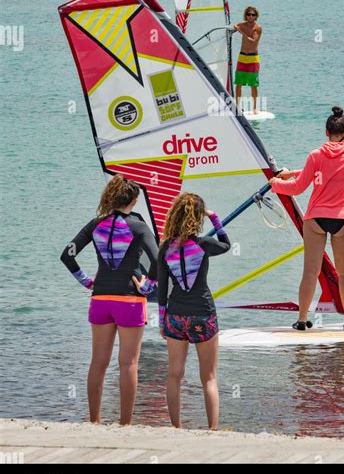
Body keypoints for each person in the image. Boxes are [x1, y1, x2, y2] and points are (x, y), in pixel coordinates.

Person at [60, 175, 159, 425]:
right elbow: (158, 261)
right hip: (130, 301)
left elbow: (67, 255)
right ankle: (125, 423)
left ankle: (94, 422)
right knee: (128, 364)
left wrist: (86, 281)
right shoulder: (138, 226)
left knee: (98, 363)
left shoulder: (96, 224)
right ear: (134, 200)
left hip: (101, 299)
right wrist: (148, 285)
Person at [269, 106, 344, 332]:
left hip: (315, 219)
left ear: (326, 132)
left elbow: (297, 187)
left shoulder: (315, 155)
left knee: (310, 272)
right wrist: (294, 172)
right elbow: (329, 171)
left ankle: (302, 321)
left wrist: (276, 184)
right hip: (342, 219)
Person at [157, 193, 230, 430]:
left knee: (174, 375)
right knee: (208, 378)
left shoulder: (165, 248)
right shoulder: (204, 245)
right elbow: (227, 244)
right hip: (203, 314)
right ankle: (213, 429)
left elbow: (162, 289)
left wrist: (162, 322)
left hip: (175, 316)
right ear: (197, 218)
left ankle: (176, 428)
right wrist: (215, 218)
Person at [233, 6, 262, 114]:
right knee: (239, 83)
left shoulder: (257, 28)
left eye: (253, 15)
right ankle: (237, 106)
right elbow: (235, 26)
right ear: (246, 16)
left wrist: (241, 32)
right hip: (242, 57)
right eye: (249, 14)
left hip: (253, 58)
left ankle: (254, 107)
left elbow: (252, 41)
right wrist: (235, 27)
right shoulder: (242, 25)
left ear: (256, 16)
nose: (250, 16)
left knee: (253, 84)